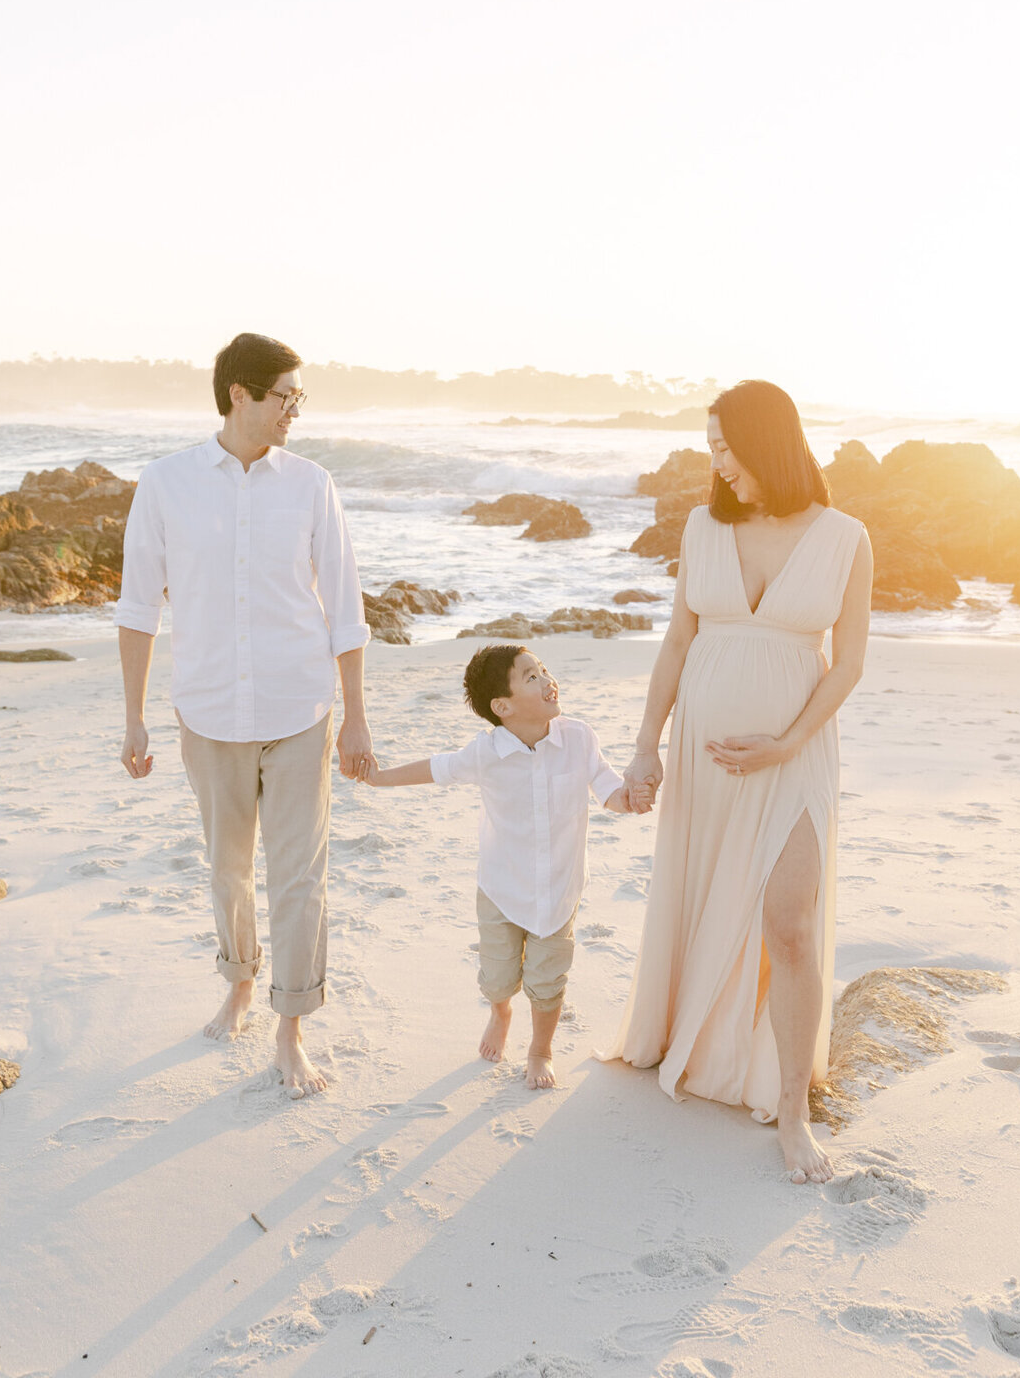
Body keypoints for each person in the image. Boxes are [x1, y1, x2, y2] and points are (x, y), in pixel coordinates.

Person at [604, 380, 872, 1182]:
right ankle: (696, 1041)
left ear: (767, 443)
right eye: (710, 444)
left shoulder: (844, 536)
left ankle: (793, 1112)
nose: (715, 459)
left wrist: (787, 742)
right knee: (703, 895)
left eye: (725, 444)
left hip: (794, 759)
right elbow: (678, 642)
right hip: (705, 756)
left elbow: (849, 662)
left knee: (788, 921)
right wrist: (646, 746)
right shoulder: (700, 527)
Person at [116, 331, 375, 1097]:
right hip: (207, 712)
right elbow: (137, 609)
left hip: (300, 708)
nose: (295, 409)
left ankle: (290, 1027)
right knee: (228, 871)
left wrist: (355, 716)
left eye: (299, 397)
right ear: (241, 395)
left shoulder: (312, 485)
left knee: (299, 878)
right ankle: (238, 980)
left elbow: (346, 607)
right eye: (284, 396)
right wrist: (134, 719)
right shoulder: (165, 485)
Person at [355, 644, 651, 1089]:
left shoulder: (579, 738)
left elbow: (607, 786)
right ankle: (500, 1012)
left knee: (548, 979)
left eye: (545, 669)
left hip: (559, 889)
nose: (548, 679)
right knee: (497, 977)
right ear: (502, 706)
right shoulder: (484, 753)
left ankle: (540, 1049)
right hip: (501, 888)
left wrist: (629, 799)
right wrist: (379, 777)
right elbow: (436, 769)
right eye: (531, 676)